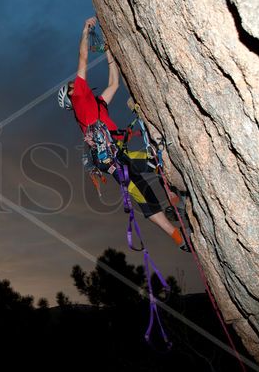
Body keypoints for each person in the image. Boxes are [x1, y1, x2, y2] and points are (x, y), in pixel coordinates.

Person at [58, 17, 189, 252]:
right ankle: (178, 237)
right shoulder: (80, 101)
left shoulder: (95, 105)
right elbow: (82, 59)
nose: (73, 84)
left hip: (119, 153)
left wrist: (109, 53)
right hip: (115, 160)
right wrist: (84, 32)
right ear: (71, 96)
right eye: (70, 87)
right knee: (142, 192)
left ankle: (176, 204)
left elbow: (114, 83)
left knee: (157, 162)